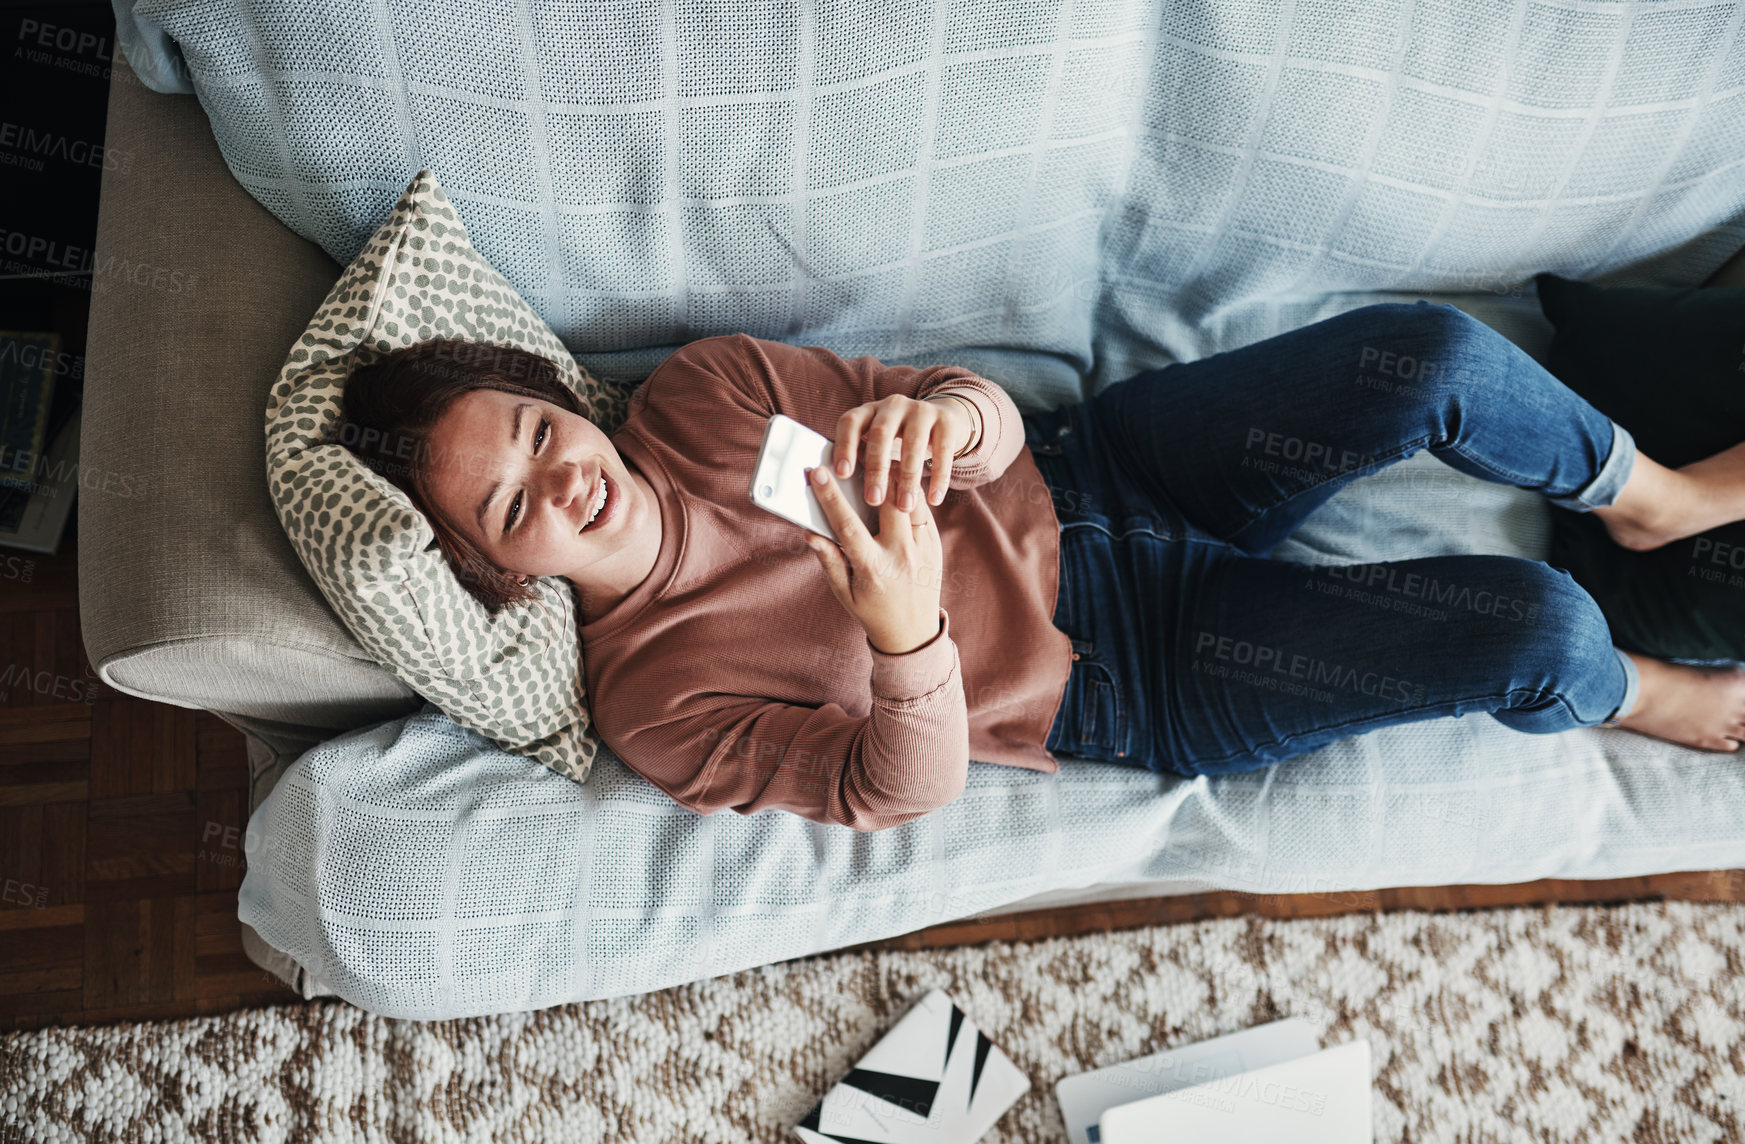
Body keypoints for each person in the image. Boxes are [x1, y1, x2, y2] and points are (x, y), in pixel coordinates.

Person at [336, 302, 1745, 833]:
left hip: (1106, 468)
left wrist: (949, 419)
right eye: (512, 507)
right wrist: (902, 641)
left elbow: (968, 397)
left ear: (559, 397)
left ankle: (1656, 499)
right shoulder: (653, 700)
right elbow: (893, 791)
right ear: (500, 576)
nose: (562, 476)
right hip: (1139, 673)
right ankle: (1640, 698)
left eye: (532, 430)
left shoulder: (707, 393)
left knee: (1419, 358)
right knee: (1542, 636)